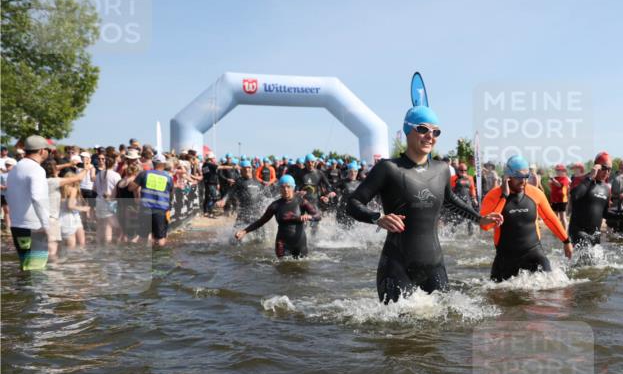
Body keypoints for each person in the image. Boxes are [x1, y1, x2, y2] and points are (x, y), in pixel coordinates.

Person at [347, 103, 502, 303]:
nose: (430, 136)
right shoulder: (388, 168)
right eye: (423, 129)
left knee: (446, 327)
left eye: (435, 132)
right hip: (397, 265)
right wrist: (378, 218)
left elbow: (450, 200)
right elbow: (353, 203)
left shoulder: (442, 169)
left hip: (434, 265)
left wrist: (479, 219)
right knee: (396, 331)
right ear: (407, 130)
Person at [480, 156, 572, 282]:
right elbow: (485, 226)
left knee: (555, 291)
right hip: (506, 257)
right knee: (496, 296)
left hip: (534, 254)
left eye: (526, 177)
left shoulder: (535, 193)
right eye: (518, 177)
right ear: (507, 176)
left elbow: (550, 218)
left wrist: (566, 241)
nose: (523, 181)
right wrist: (504, 197)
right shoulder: (493, 196)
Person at [235, 174, 321, 258]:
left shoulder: (301, 202)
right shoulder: (275, 205)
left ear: (293, 187)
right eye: (283, 187)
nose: (285, 190)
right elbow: (261, 221)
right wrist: (244, 231)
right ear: (279, 188)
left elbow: (318, 216)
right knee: (281, 268)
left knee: (302, 268)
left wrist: (310, 217)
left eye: (288, 187)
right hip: (282, 244)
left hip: (299, 243)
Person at [6, 136, 55, 270]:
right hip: (35, 227)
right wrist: (46, 225)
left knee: (25, 268)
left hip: (17, 226)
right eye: (48, 150)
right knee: (36, 270)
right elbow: (37, 198)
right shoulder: (36, 170)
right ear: (41, 151)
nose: (48, 153)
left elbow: (9, 195)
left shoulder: (14, 169)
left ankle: (22, 291)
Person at [567, 151, 612, 247]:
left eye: (609, 169)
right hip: (578, 231)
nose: (607, 172)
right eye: (604, 168)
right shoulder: (581, 180)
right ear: (596, 166)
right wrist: (591, 177)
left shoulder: (606, 189)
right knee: (586, 258)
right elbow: (575, 195)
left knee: (596, 261)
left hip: (595, 236)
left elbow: (605, 213)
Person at [131, 153, 174, 247]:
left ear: (153, 163)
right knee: (160, 238)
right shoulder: (168, 178)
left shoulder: (144, 174)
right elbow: (171, 195)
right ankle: (159, 258)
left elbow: (131, 188)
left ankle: (141, 258)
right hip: (160, 210)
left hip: (145, 209)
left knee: (142, 237)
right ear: (164, 164)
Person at [59, 175, 89, 250]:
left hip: (75, 217)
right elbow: (70, 206)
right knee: (72, 246)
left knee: (81, 243)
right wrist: (83, 208)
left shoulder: (72, 189)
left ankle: (77, 259)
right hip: (68, 218)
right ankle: (73, 260)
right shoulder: (70, 190)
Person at [548, 164, 571, 228]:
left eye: (559, 170)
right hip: (554, 199)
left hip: (562, 200)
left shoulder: (565, 178)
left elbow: (559, 185)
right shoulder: (555, 178)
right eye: (557, 170)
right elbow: (550, 186)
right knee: (555, 217)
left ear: (564, 171)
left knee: (563, 217)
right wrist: (551, 182)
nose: (557, 171)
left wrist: (552, 180)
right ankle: (557, 231)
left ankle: (565, 232)